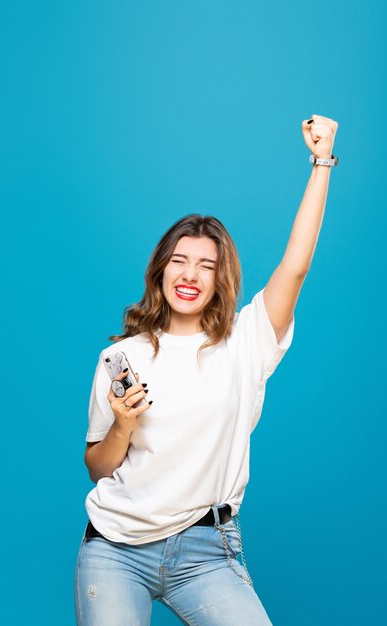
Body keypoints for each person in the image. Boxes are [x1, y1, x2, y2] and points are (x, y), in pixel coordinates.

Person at [74, 114, 339, 626]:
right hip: (114, 548)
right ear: (160, 270)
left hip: (205, 549)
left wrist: (322, 161)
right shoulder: (121, 358)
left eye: (206, 265)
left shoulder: (246, 341)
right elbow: (98, 467)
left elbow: (296, 265)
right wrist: (124, 427)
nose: (190, 275)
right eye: (179, 261)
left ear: (221, 280)